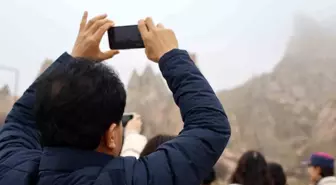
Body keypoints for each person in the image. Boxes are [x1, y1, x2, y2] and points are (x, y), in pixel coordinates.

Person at [0, 11, 231, 185]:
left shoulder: (13, 169)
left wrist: (72, 62)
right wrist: (171, 56)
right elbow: (211, 126)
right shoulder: (133, 179)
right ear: (111, 136)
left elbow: (20, 122)